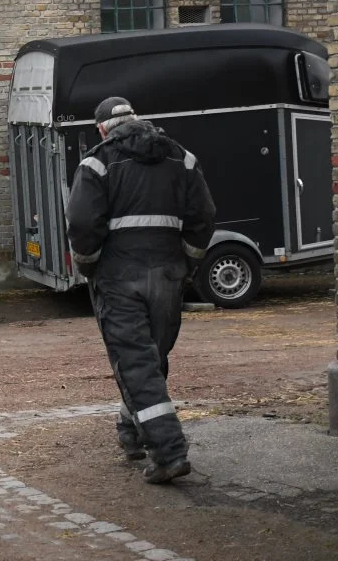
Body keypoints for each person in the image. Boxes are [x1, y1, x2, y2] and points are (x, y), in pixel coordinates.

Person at [65, 97, 215, 484]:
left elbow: (82, 224)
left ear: (101, 129)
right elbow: (203, 217)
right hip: (167, 276)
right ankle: (131, 432)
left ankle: (168, 452)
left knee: (135, 362)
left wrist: (89, 266)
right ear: (139, 120)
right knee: (151, 358)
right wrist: (186, 262)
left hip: (118, 278)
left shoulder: (96, 163)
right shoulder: (182, 158)